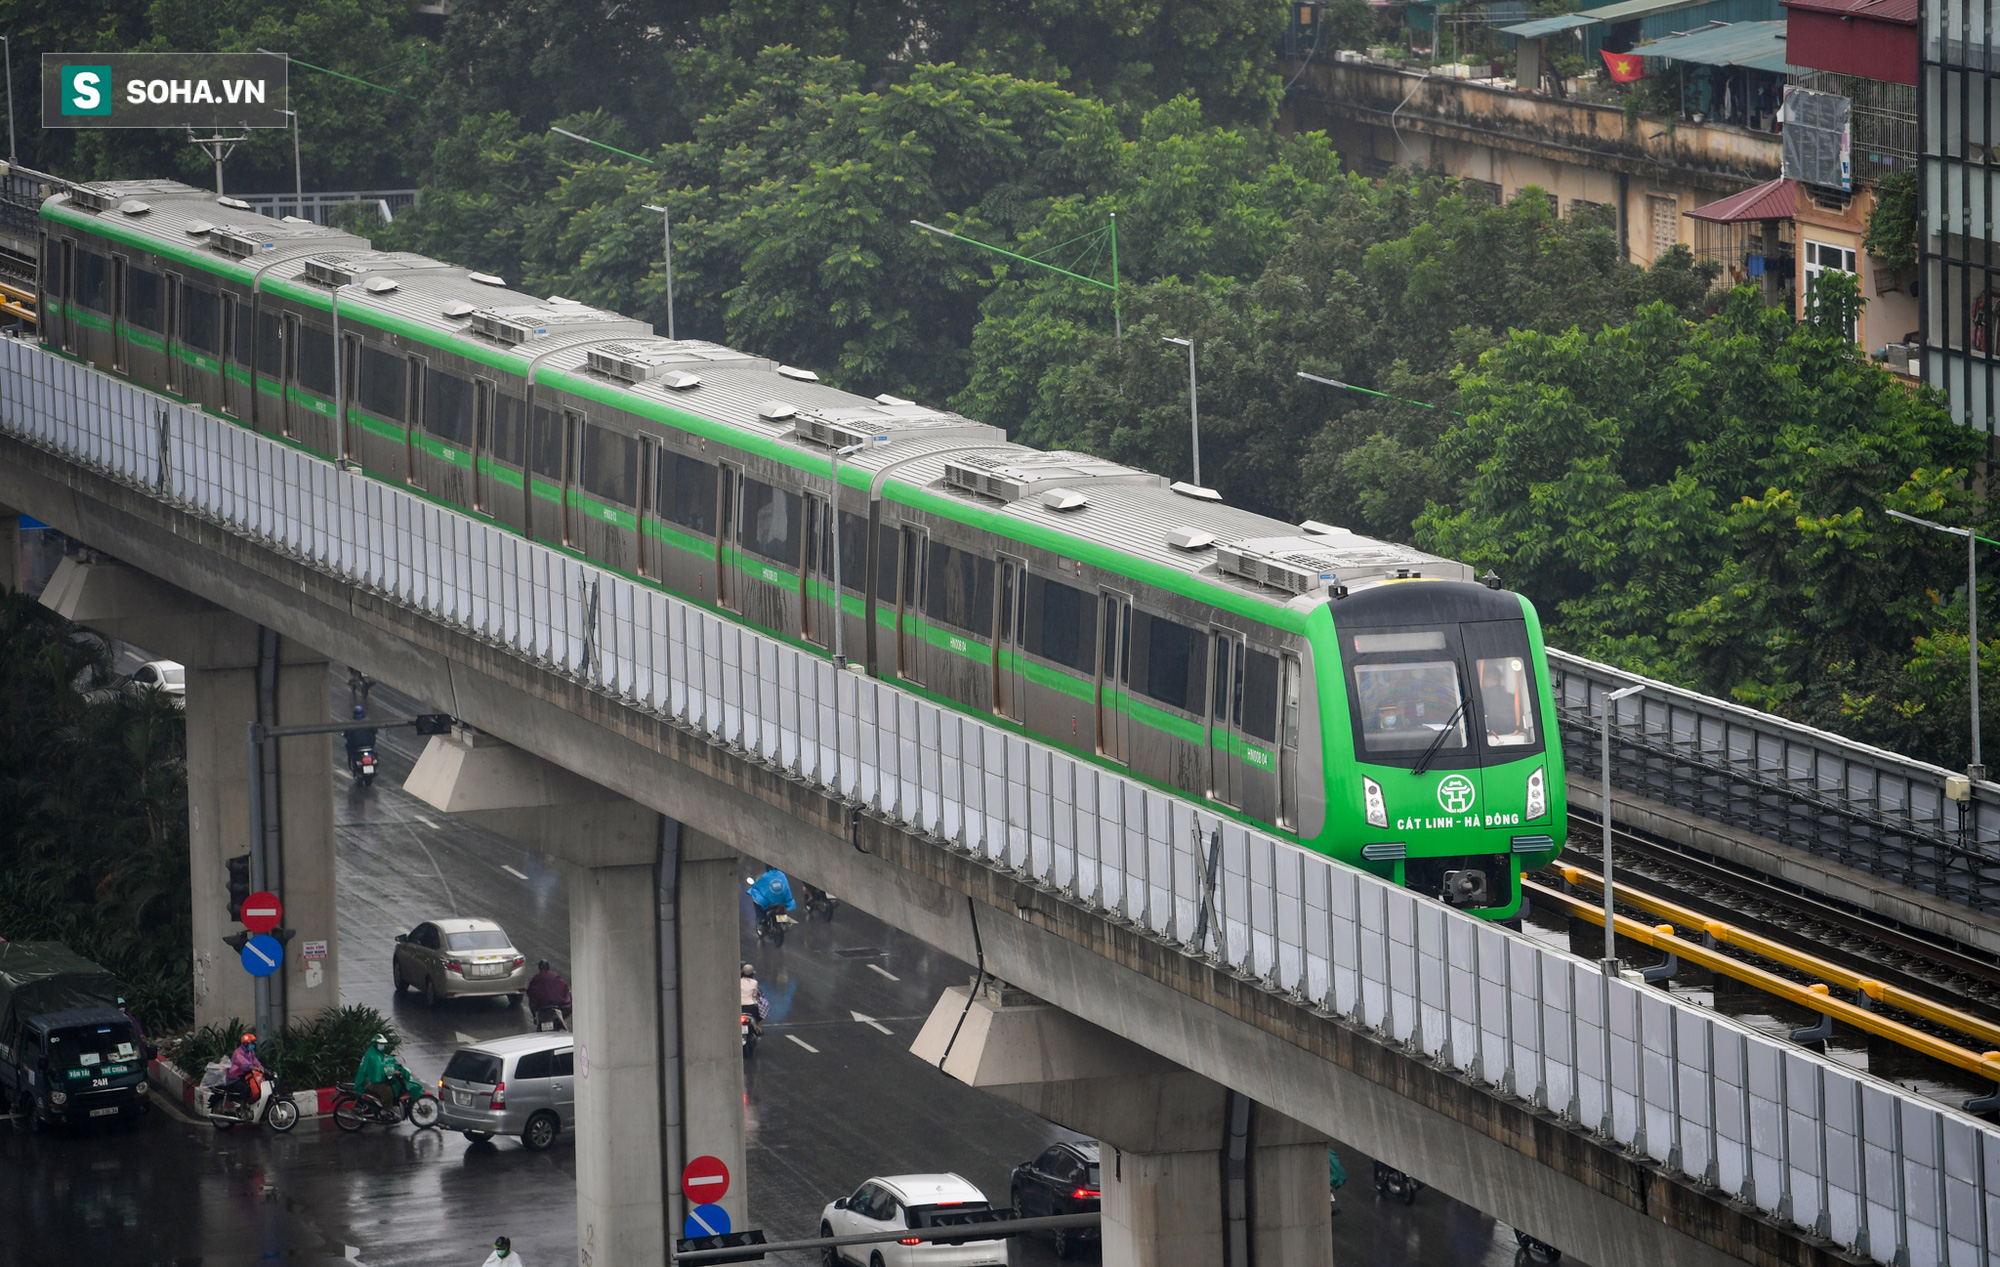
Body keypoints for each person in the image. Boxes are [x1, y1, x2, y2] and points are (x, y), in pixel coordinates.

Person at [355, 1033, 413, 1113]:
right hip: (370, 1082)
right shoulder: (373, 1056)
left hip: (372, 1080)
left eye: (383, 1044)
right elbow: (379, 1071)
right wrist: (392, 1072)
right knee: (387, 1090)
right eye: (380, 1044)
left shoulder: (375, 1052)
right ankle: (385, 1110)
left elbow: (384, 1063)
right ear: (375, 1044)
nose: (383, 1046)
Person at [526, 959, 572, 1027]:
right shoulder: (554, 976)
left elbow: (530, 992)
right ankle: (564, 1024)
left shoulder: (536, 979)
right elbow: (564, 986)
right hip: (556, 1004)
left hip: (540, 1006)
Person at [224, 1031, 264, 1106]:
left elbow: (256, 1062)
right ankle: (243, 1106)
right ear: (246, 1044)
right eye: (252, 1043)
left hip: (245, 1077)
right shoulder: (238, 1053)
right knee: (247, 1089)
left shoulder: (251, 1052)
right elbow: (244, 1064)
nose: (253, 1045)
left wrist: (262, 1069)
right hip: (235, 1079)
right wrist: (255, 1068)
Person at [739, 962, 768, 1038]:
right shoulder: (754, 982)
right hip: (750, 1007)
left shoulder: (738, 981)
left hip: (739, 1007)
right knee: (761, 1012)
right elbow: (754, 995)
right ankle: (759, 1028)